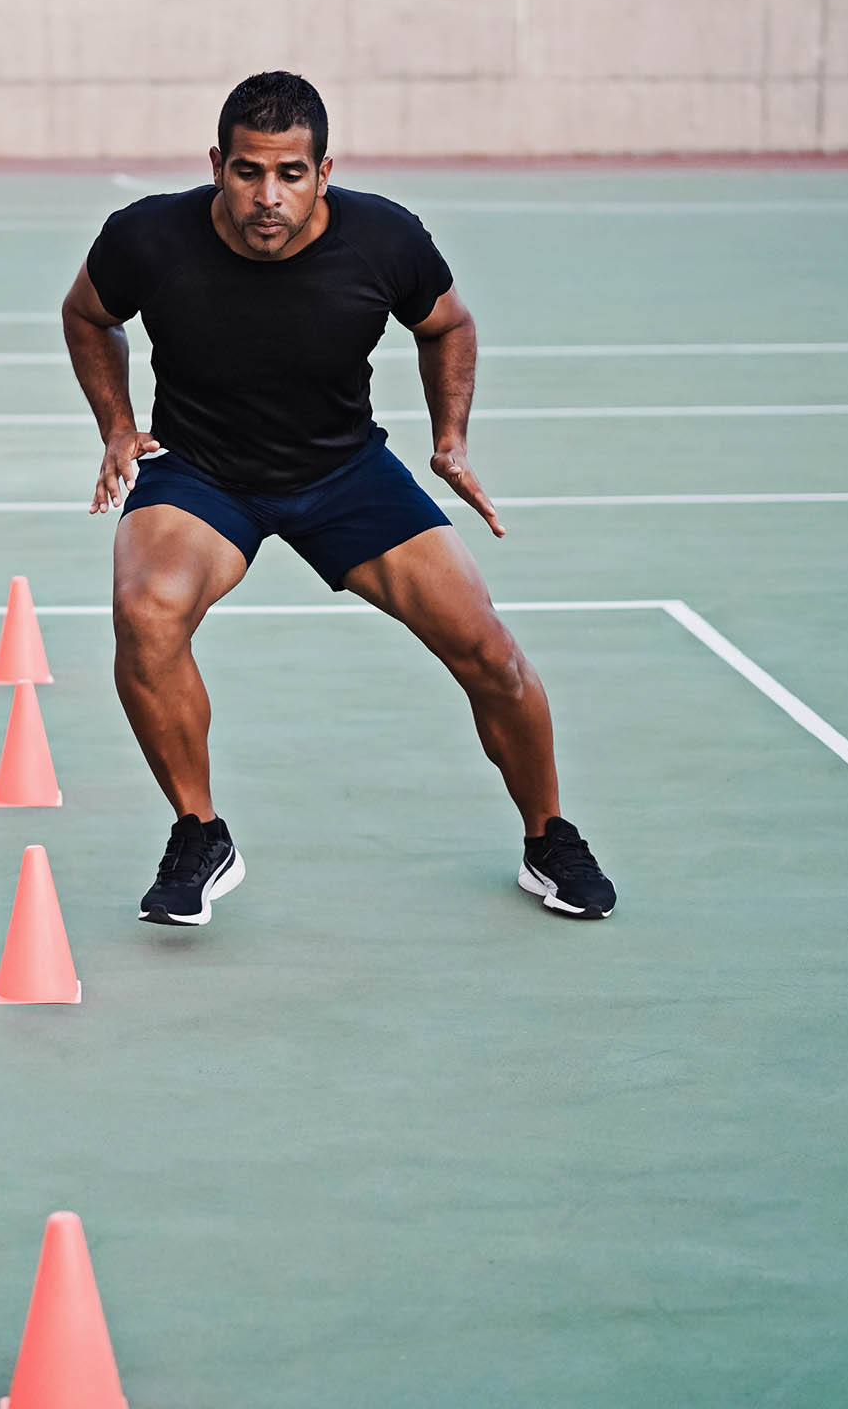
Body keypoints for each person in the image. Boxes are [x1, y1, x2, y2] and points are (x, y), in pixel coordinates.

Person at [60, 70, 616, 926]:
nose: (267, 196)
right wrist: (116, 425)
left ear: (325, 171)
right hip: (203, 472)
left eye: (290, 173)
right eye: (248, 171)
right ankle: (200, 833)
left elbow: (448, 325)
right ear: (218, 165)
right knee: (145, 613)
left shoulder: (384, 238)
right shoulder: (147, 238)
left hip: (345, 473)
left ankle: (550, 839)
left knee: (490, 654)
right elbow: (89, 314)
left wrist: (451, 439)